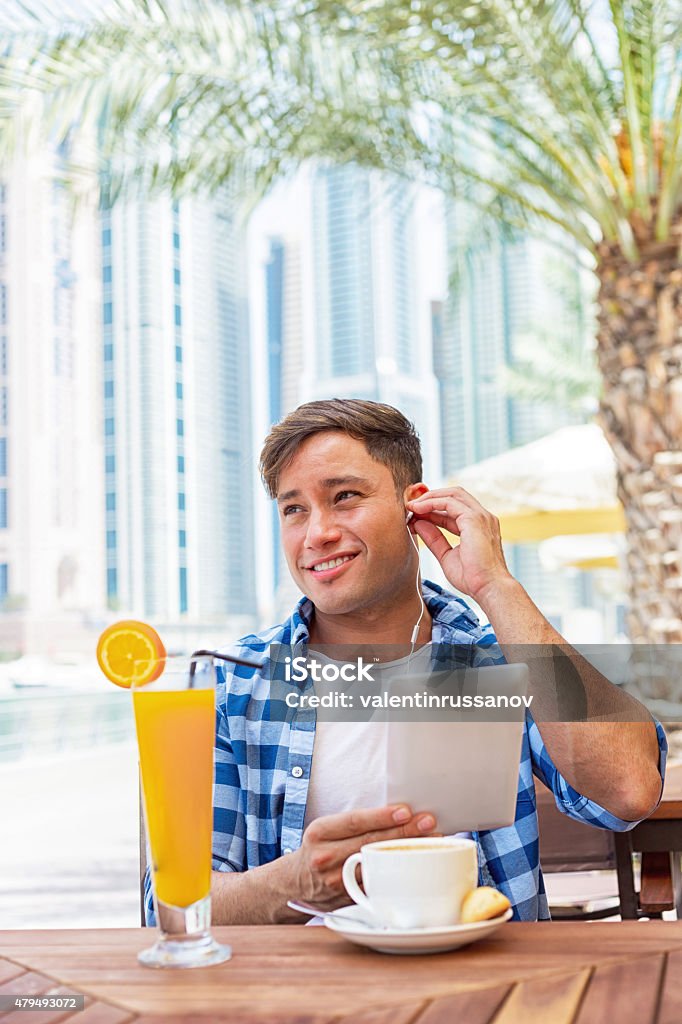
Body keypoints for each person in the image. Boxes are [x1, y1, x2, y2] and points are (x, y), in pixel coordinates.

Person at [144, 399, 666, 924]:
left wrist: (496, 586)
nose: (316, 533)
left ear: (413, 506)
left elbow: (628, 791)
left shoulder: (496, 663)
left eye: (345, 497)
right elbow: (168, 909)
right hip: (297, 1000)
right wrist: (296, 883)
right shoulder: (235, 682)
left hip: (483, 995)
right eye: (293, 509)